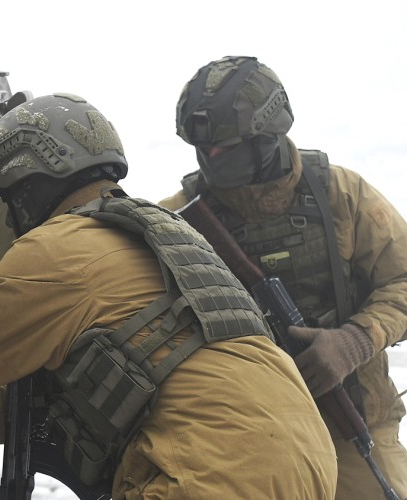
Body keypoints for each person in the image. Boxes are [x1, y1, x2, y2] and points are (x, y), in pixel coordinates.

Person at [0, 93, 337, 498]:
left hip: (211, 472)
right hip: (304, 458)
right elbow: (15, 413)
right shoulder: (162, 236)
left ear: (30, 180)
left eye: (9, 197)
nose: (11, 218)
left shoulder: (59, 251)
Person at [159, 55, 407, 499]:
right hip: (242, 437)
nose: (211, 159)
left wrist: (355, 340)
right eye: (203, 150)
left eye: (224, 148)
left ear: (269, 135)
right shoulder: (178, 218)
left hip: (355, 419)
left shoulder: (340, 195)